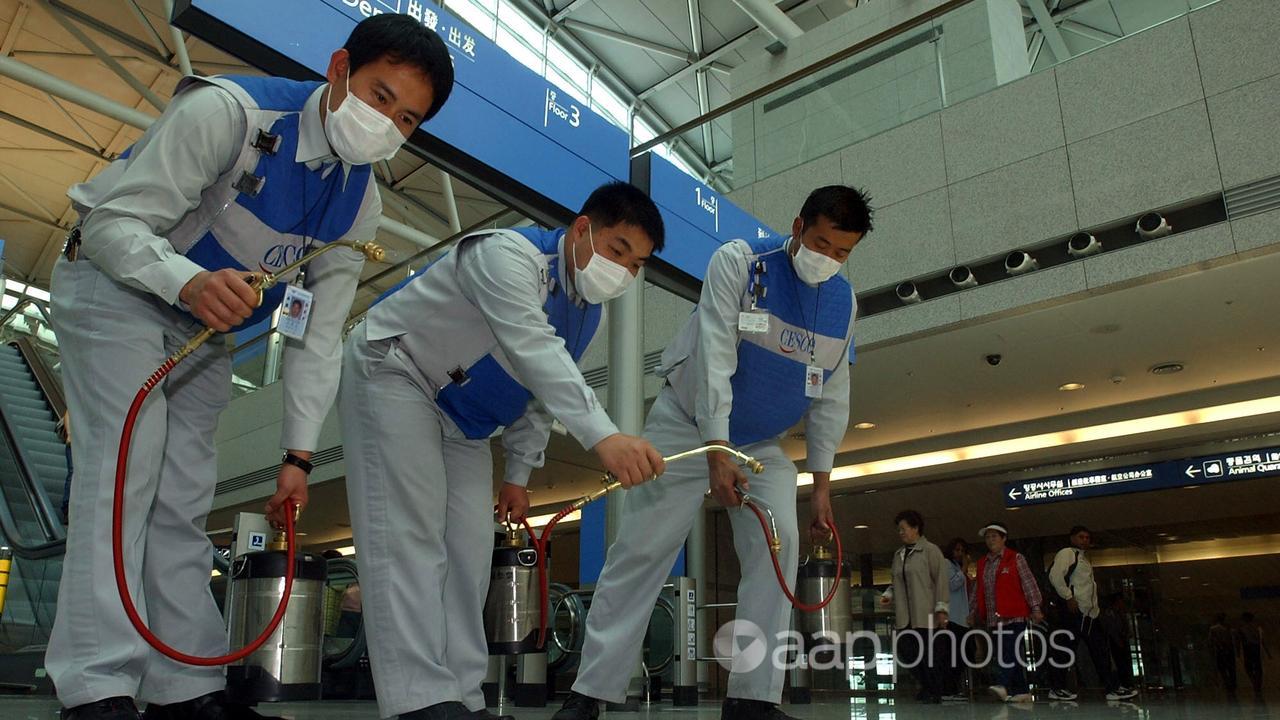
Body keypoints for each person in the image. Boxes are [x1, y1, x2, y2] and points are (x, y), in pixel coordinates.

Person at [45, 15, 454, 720]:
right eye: (381, 96)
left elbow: (318, 338)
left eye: (409, 119)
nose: (388, 124)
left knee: (183, 495)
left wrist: (297, 453)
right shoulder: (227, 113)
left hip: (204, 332)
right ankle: (96, 682)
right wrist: (187, 281)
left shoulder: (361, 204)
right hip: (117, 287)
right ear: (338, 70)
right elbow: (112, 225)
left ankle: (184, 687)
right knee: (126, 472)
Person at [340, 181, 668, 720]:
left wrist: (518, 473)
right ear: (582, 229)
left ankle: (462, 698)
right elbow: (533, 349)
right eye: (618, 251)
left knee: (469, 555)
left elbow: (537, 395)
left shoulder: (588, 312)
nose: (625, 272)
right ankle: (418, 700)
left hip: (465, 422)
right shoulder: (505, 254)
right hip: (397, 370)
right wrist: (604, 435)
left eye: (637, 265)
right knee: (411, 536)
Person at [553, 185, 873, 720]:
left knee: (781, 544)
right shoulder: (742, 263)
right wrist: (715, 450)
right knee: (643, 549)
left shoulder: (844, 302)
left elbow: (832, 393)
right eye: (820, 243)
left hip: (760, 444)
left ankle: (752, 698)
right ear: (797, 227)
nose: (828, 260)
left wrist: (821, 486)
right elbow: (716, 356)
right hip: (686, 422)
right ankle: (591, 692)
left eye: (842, 253)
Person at [1046, 526, 1137, 701]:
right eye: (1081, 537)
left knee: (1096, 650)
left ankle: (1111, 687)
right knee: (1069, 650)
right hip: (1076, 611)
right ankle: (1058, 687)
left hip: (1087, 613)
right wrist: (1068, 597)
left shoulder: (1083, 558)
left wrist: (1093, 609)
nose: (1085, 540)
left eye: (1087, 537)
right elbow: (1055, 576)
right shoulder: (1067, 554)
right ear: (1072, 538)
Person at [879, 510, 949, 704]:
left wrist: (942, 609)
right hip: (905, 615)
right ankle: (928, 686)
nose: (900, 533)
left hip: (925, 614)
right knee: (907, 651)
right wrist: (888, 595)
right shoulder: (899, 555)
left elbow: (941, 581)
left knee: (927, 654)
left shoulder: (930, 551)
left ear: (916, 528)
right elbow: (896, 581)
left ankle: (933, 690)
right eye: (899, 529)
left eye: (903, 528)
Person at [969, 522, 1043, 704]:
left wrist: (1035, 607)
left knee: (1007, 651)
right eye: (987, 537)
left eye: (994, 536)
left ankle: (1002, 685)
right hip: (994, 619)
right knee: (1008, 652)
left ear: (1004, 539)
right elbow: (977, 590)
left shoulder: (1015, 558)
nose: (990, 540)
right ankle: (1022, 691)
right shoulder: (982, 564)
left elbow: (1029, 583)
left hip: (1015, 616)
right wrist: (972, 611)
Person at [941, 537, 974, 701]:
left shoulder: (957, 567)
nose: (959, 553)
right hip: (953, 617)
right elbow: (953, 584)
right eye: (957, 550)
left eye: (962, 550)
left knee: (964, 652)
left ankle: (952, 687)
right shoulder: (947, 565)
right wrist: (965, 568)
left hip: (961, 617)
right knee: (956, 654)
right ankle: (949, 688)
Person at [1099, 593, 1134, 692]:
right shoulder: (1110, 613)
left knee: (1124, 662)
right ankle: (1122, 683)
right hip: (1115, 642)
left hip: (1121, 641)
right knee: (1119, 663)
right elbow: (1111, 629)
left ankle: (1126, 683)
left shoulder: (1120, 613)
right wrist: (1118, 640)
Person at [1240, 612, 1269, 695]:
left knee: (1249, 668)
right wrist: (1267, 652)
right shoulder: (1257, 628)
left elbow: (1241, 641)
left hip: (1248, 649)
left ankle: (1254, 683)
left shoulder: (1242, 628)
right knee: (1258, 668)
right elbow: (1262, 641)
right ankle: (1257, 685)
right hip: (1256, 648)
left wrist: (1238, 652)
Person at [1209, 613, 1238, 695]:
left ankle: (1227, 684)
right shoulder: (1229, 628)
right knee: (1230, 669)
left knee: (1222, 668)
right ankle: (1231, 685)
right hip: (1228, 650)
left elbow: (1211, 641)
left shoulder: (1214, 629)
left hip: (1221, 650)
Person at [56, 410, 72, 524]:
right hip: (74, 443)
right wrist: (70, 435)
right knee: (73, 472)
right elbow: (69, 412)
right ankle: (67, 507)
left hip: (87, 444)